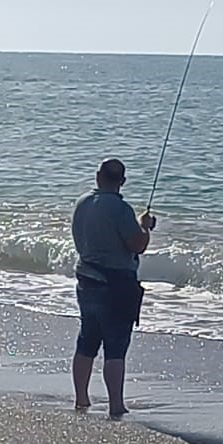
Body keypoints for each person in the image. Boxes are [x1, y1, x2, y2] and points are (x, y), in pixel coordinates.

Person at [71, 158, 155, 416]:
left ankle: (81, 398)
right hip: (116, 286)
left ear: (98, 176)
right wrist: (145, 227)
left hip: (86, 280)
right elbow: (137, 245)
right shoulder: (120, 209)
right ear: (123, 181)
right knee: (115, 348)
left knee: (86, 342)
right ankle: (116, 404)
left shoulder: (82, 203)